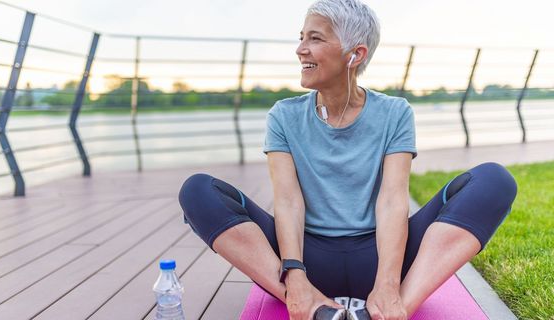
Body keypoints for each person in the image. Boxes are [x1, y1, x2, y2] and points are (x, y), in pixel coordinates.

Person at [178, 0, 517, 319]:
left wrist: (387, 283)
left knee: (494, 180)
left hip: (382, 257)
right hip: (307, 260)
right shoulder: (283, 115)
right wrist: (294, 274)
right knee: (197, 191)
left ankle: (391, 308)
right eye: (301, 38)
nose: (300, 49)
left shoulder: (395, 112)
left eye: (315, 38)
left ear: (355, 54)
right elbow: (288, 201)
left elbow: (392, 200)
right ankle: (308, 302)